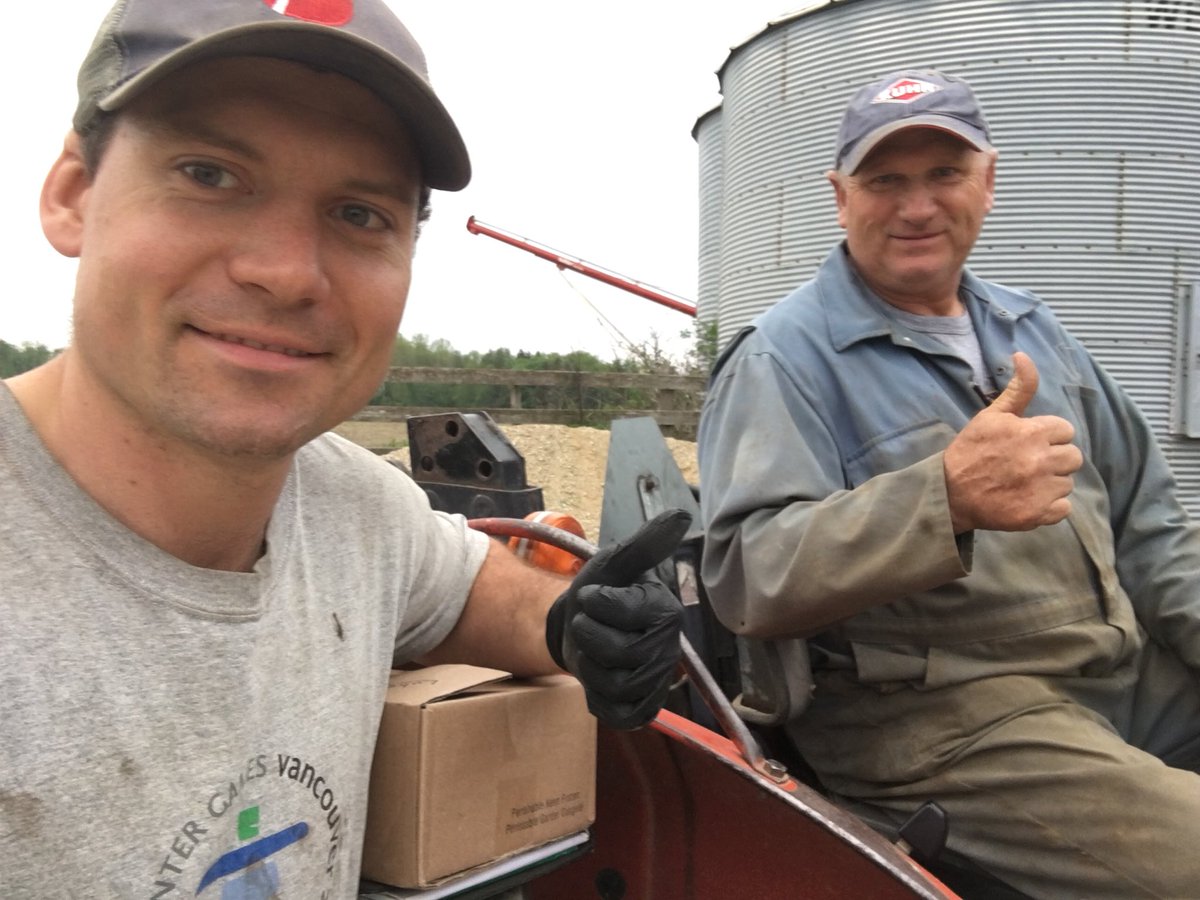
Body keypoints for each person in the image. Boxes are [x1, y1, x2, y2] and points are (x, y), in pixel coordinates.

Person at [0, 1, 687, 896]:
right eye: (210, 173)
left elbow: (479, 593)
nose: (286, 271)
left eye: (359, 214)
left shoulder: (355, 511)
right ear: (72, 195)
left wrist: (574, 626)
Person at [698, 68, 1200, 898]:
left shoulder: (1034, 329)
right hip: (943, 722)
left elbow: (1153, 530)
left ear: (988, 183)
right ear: (839, 196)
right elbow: (747, 578)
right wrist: (945, 498)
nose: (917, 206)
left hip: (1115, 675)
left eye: (944, 174)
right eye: (884, 180)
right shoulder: (783, 359)